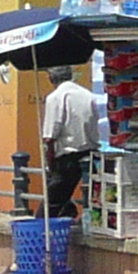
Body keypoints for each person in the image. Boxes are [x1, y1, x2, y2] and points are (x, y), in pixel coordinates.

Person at [41, 67, 94, 218]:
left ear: (52, 78)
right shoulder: (88, 95)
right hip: (89, 152)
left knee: (51, 204)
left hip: (67, 156)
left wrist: (50, 164)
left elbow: (50, 137)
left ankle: (43, 235)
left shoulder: (56, 97)